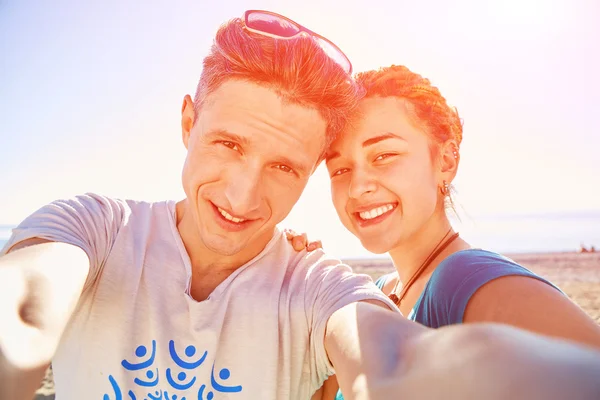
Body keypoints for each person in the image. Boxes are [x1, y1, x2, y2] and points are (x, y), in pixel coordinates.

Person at [2, 11, 600, 400]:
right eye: (228, 143)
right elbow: (23, 309)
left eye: (284, 167)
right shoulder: (95, 228)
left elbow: (395, 363)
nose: (241, 194)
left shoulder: (328, 288)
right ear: (188, 121)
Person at [311, 64, 600, 399]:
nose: (357, 186)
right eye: (340, 169)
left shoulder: (465, 278)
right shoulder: (375, 291)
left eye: (384, 155)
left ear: (446, 161)